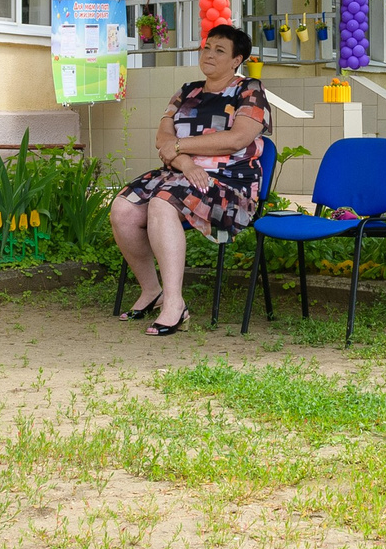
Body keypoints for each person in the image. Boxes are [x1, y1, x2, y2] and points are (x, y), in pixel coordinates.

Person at [110, 23, 271, 335]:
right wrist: (184, 162)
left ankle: (174, 304)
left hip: (229, 184)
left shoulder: (249, 91)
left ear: (237, 60)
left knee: (162, 202)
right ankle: (151, 289)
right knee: (123, 209)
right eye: (207, 47)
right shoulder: (187, 91)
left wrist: (180, 147)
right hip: (181, 174)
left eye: (219, 50)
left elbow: (238, 138)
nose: (209, 54)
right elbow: (163, 137)